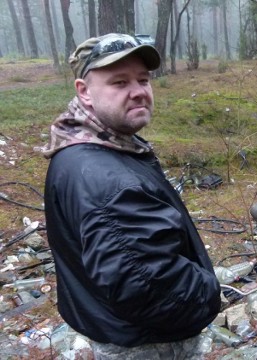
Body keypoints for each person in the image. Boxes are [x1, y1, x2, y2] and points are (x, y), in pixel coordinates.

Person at [41, 33, 221, 359]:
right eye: (120, 82)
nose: (138, 92)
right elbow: (149, 287)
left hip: (111, 324)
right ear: (84, 92)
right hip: (146, 344)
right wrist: (208, 294)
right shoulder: (107, 180)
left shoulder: (87, 149)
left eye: (143, 79)